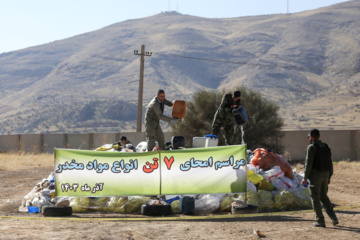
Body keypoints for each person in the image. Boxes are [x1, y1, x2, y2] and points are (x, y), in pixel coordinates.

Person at [302, 129, 339, 228]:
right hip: (325, 175)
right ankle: (333, 217)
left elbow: (308, 164)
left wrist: (305, 177)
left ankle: (320, 221)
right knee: (324, 197)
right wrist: (329, 176)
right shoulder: (326, 147)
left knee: (315, 198)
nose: (309, 139)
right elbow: (330, 163)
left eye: (309, 137)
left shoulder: (311, 147)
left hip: (315, 176)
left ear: (312, 137)